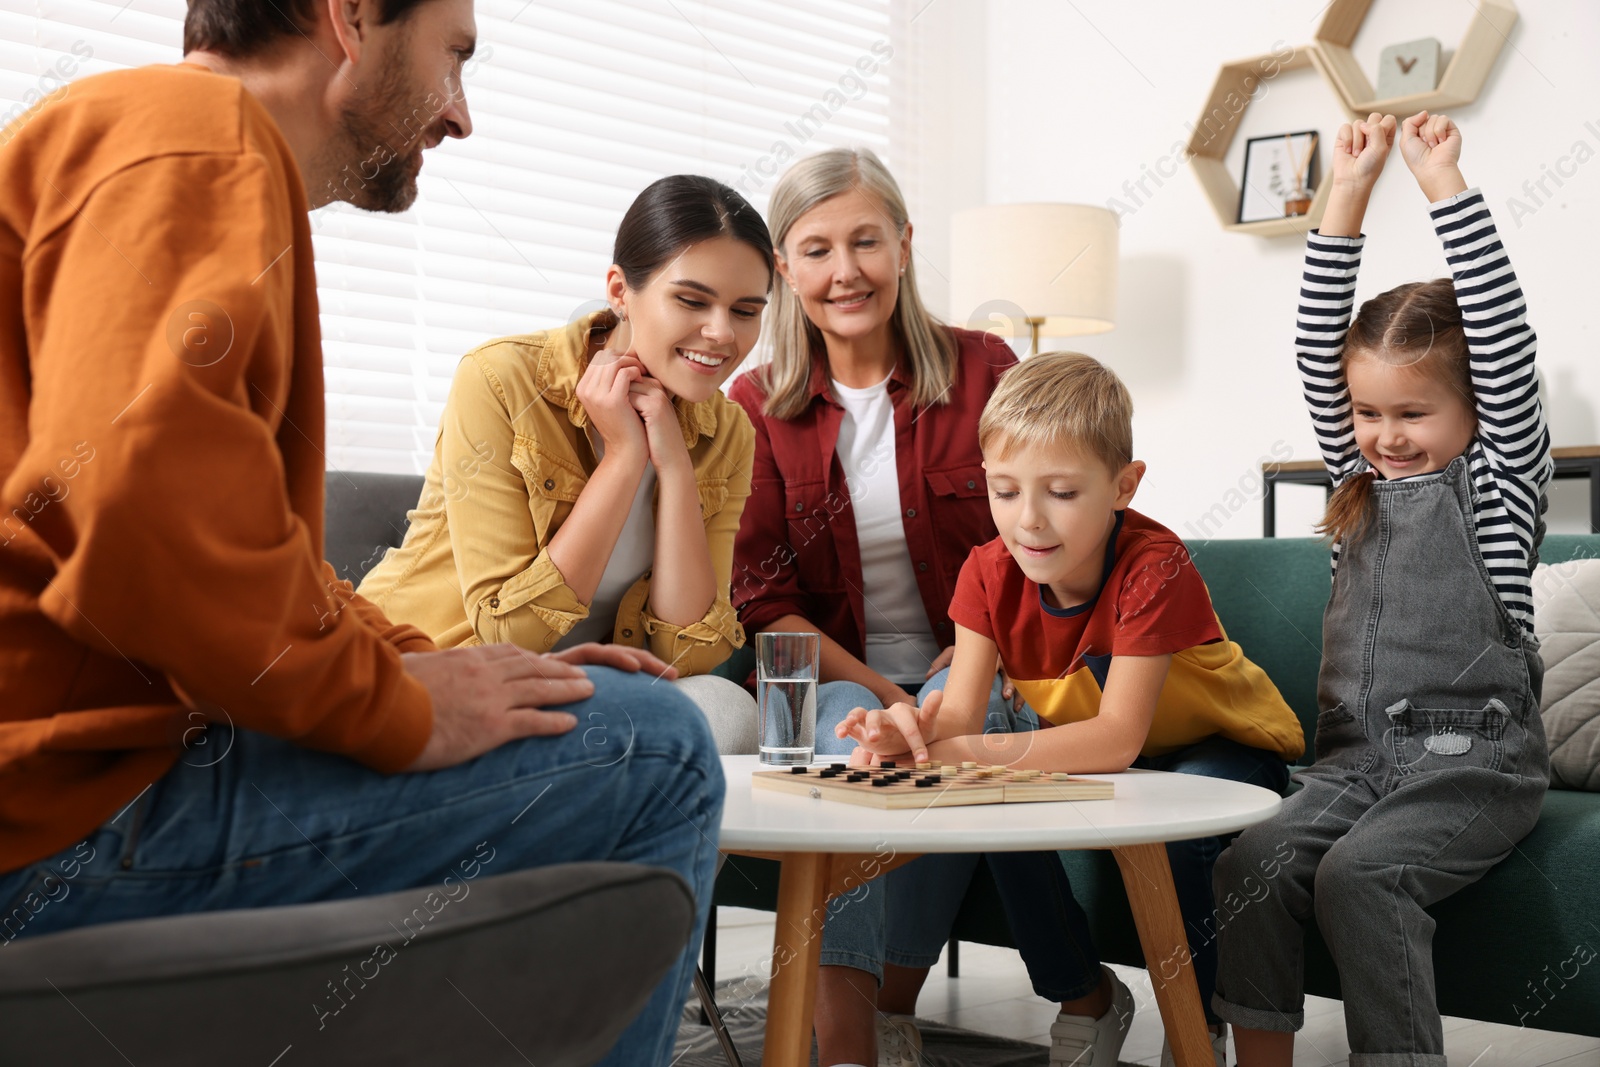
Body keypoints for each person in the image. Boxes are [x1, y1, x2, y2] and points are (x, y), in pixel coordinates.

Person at [0, 1, 723, 1062]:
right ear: (349, 18)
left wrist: (440, 669)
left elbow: (237, 553)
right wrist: (393, 704)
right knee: (657, 746)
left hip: (63, 783)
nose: (460, 115)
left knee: (578, 707)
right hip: (50, 824)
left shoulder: (140, 140)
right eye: (453, 55)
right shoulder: (197, 135)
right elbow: (130, 510)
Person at [837, 353, 1304, 1067]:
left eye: (1060, 491)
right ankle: (1084, 992)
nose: (1028, 520)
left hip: (1223, 745)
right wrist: (904, 733)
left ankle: (1198, 1027)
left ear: (1124, 486)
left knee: (1181, 831)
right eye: (1002, 489)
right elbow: (961, 717)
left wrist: (960, 755)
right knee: (992, 807)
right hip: (1125, 752)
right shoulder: (986, 572)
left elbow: (1117, 738)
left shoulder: (1155, 564)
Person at [1210, 113, 1551, 1067]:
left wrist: (1442, 183)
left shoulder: (1497, 486)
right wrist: (1348, 193)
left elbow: (1503, 336)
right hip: (1354, 762)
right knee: (1252, 862)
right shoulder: (1354, 487)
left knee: (1361, 876)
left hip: (1474, 763)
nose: (1387, 435)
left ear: (1478, 410)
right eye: (1368, 412)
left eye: (1414, 412)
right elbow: (1320, 340)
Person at [726, 146, 1019, 1064]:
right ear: (784, 267)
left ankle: (891, 1004)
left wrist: (965, 661)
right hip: (808, 666)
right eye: (816, 249)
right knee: (855, 751)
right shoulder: (752, 404)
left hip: (965, 657)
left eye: (866, 241)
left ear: (903, 244)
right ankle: (847, 1048)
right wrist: (882, 695)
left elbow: (1038, 540)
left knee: (961, 738)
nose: (844, 270)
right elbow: (765, 603)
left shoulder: (985, 368)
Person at [356, 174, 772, 752]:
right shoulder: (501, 380)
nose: (722, 333)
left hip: (579, 682)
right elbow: (507, 632)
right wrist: (624, 458)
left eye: (746, 310)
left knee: (725, 712)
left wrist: (675, 469)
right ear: (621, 291)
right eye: (692, 300)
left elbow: (692, 653)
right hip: (441, 668)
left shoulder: (726, 430)